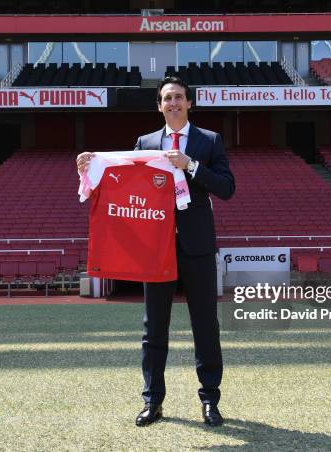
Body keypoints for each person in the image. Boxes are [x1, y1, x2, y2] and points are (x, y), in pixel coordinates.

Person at [76, 76, 235, 427]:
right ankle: (153, 401)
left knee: (205, 325)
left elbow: (226, 188)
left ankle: (210, 400)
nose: (173, 103)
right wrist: (91, 169)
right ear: (159, 106)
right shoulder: (145, 143)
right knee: (154, 328)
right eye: (167, 98)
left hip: (196, 245)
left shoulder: (209, 141)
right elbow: (122, 183)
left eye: (179, 97)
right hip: (154, 247)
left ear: (190, 103)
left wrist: (190, 166)